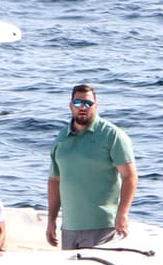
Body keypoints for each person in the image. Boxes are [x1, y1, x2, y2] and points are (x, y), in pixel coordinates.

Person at [47, 83, 138, 249]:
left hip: (102, 227)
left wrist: (122, 214)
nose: (83, 107)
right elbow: (54, 181)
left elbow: (129, 176)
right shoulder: (61, 137)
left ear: (96, 106)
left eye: (88, 103)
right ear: (70, 106)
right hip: (69, 227)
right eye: (78, 103)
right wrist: (51, 220)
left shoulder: (112, 135)